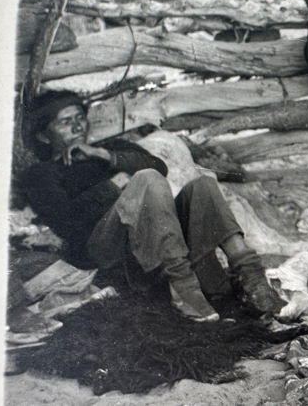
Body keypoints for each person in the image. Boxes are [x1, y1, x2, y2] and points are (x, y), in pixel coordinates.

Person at [19, 90, 285, 322]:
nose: (77, 127)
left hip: (153, 238)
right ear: (44, 136)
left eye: (80, 118)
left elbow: (159, 166)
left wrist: (105, 155)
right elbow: (66, 222)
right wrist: (119, 186)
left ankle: (253, 279)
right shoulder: (42, 174)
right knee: (146, 180)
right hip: (105, 248)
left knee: (203, 186)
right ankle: (183, 290)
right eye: (65, 122)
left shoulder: (110, 149)